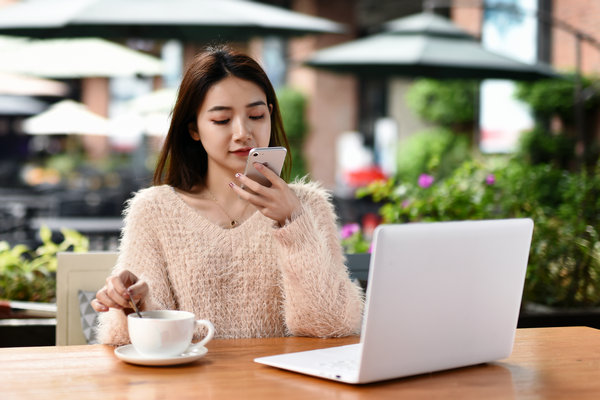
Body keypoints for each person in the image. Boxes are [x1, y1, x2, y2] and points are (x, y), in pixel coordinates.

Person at [92, 46, 364, 344]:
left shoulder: (308, 206)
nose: (242, 132)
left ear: (270, 115)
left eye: (256, 115)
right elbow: (124, 340)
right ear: (194, 128)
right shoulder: (154, 210)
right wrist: (133, 305)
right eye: (222, 120)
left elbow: (331, 325)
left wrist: (293, 222)